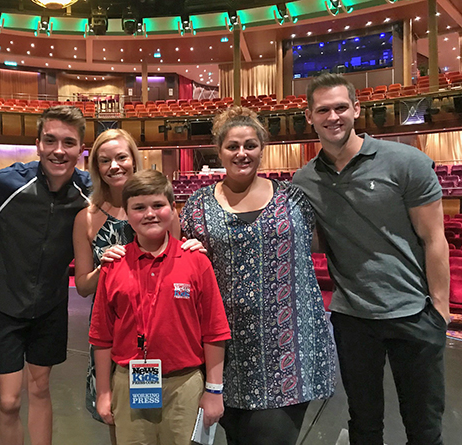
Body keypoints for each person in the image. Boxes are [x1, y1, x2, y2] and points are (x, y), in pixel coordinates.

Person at [293, 73, 449, 445]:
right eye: (323, 110)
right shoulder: (304, 180)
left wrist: (439, 311)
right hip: (352, 319)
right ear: (310, 117)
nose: (333, 117)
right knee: (364, 425)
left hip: (414, 312)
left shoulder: (406, 162)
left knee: (424, 427)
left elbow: (434, 238)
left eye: (341, 107)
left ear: (356, 109)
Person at [180, 106, 336, 445]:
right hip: (221, 355)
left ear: (262, 148)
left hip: (286, 354)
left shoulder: (294, 199)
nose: (242, 153)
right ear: (218, 150)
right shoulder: (196, 206)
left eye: (250, 145)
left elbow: (335, 238)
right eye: (232, 146)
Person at [73, 129, 206, 433]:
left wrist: (192, 248)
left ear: (134, 159)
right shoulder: (87, 217)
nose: (114, 166)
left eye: (121, 157)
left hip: (163, 330)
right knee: (122, 426)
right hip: (117, 330)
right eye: (104, 160)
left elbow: (177, 263)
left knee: (170, 424)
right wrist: (104, 269)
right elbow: (82, 285)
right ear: (96, 167)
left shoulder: (160, 209)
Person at [89, 169, 231, 445]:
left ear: (172, 209)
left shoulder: (196, 261)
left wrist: (214, 390)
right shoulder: (113, 266)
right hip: (128, 381)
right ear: (127, 215)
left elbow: (214, 331)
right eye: (139, 208)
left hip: (185, 384)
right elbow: (101, 337)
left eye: (158, 205)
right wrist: (104, 392)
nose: (150, 213)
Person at [0, 106, 91, 445]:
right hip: (3, 305)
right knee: (9, 400)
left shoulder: (89, 192)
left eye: (69, 142)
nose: (59, 150)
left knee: (41, 388)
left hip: (50, 307)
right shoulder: (4, 184)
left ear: (80, 149)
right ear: (38, 144)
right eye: (51, 140)